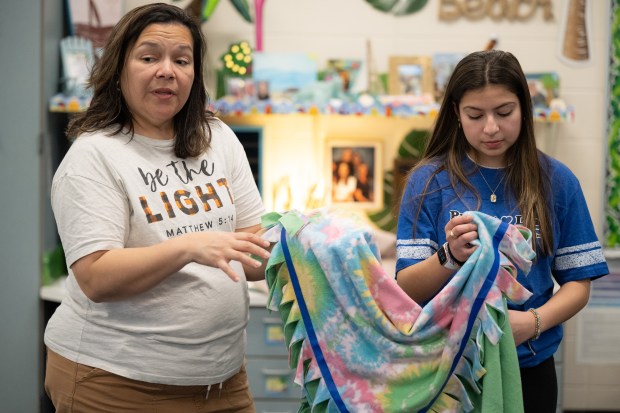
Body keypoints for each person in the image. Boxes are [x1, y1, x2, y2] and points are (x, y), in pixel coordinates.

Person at [43, 3, 271, 412]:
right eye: (149, 57)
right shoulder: (94, 155)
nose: (167, 70)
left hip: (223, 382)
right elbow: (96, 278)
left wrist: (301, 239)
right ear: (118, 69)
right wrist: (188, 247)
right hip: (115, 384)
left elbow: (251, 253)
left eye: (182, 60)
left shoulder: (217, 138)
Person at [395, 50, 608, 413]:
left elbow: (578, 283)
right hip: (445, 371)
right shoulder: (428, 182)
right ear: (456, 115)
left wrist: (533, 322)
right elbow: (406, 288)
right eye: (475, 115)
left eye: (504, 112)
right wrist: (448, 257)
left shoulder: (556, 182)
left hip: (530, 368)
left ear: (524, 108)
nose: (491, 127)